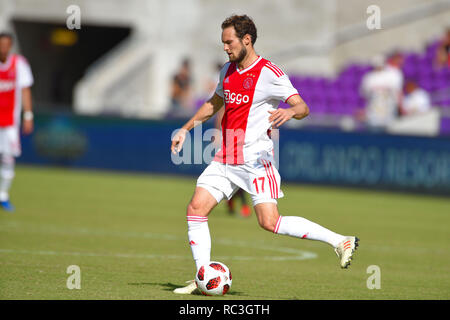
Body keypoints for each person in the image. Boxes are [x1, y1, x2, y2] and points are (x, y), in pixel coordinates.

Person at [170, 15, 359, 295]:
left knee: (269, 222)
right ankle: (203, 276)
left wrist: (290, 111)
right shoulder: (227, 71)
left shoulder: (270, 72)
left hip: (256, 160)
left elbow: (302, 106)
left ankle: (339, 240)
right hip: (226, 156)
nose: (225, 48)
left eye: (229, 42)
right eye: (223, 42)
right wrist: (185, 129)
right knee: (196, 209)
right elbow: (213, 104)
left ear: (246, 40)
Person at [0, 32, 34, 211]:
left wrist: (28, 115)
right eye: (1, 44)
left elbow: (25, 90)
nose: (4, 48)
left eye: (7, 44)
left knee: (7, 158)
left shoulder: (18, 64)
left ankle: (3, 195)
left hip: (9, 121)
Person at [360, 53, 404, 131]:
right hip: (374, 112)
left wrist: (399, 107)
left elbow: (397, 93)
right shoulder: (369, 78)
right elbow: (364, 94)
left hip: (389, 110)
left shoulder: (392, 75)